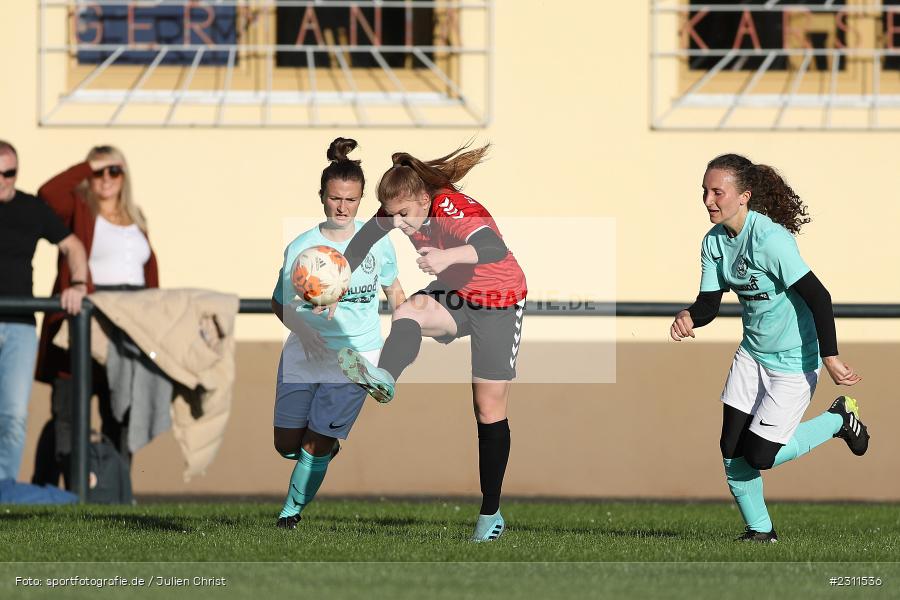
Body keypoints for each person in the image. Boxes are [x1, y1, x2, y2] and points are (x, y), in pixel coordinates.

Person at [670, 153, 870, 543]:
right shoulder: (713, 242)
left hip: (795, 361)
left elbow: (820, 297)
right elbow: (710, 303)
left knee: (759, 456)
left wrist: (830, 357)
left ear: (743, 196)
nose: (709, 200)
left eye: (718, 192)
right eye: (705, 192)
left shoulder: (771, 240)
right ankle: (760, 531)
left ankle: (838, 420)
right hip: (752, 355)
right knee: (731, 449)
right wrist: (690, 317)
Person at [334, 143, 527, 542]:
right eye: (393, 215)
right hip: (456, 294)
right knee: (407, 312)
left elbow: (494, 247)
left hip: (499, 300)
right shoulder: (398, 208)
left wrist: (448, 255)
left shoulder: (452, 208)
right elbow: (360, 243)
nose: (399, 224)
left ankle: (491, 515)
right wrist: (335, 283)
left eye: (405, 215)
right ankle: (385, 377)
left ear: (425, 199)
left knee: (487, 409)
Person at [271, 137, 405, 529]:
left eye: (350, 200)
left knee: (313, 444)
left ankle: (289, 513)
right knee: (286, 444)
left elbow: (395, 292)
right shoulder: (302, 247)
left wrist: (400, 343)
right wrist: (302, 328)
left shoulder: (376, 243)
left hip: (357, 356)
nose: (342, 208)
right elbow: (278, 301)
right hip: (306, 350)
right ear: (322, 197)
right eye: (335, 199)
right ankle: (324, 450)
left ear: (361, 199)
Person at [32, 145, 159, 487]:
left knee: (120, 411)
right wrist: (87, 165)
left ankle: (114, 487)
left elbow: (149, 278)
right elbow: (47, 193)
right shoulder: (78, 208)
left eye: (113, 171)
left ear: (124, 176)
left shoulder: (137, 218)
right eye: (98, 171)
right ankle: (69, 488)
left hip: (128, 326)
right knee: (70, 408)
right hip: (85, 320)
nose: (105, 179)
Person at [0, 140, 88, 481]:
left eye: (9, 173)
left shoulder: (31, 208)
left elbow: (72, 245)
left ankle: (4, 489)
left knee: (14, 414)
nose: (2, 179)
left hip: (21, 325)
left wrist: (79, 284)